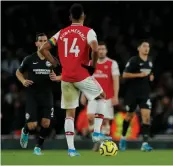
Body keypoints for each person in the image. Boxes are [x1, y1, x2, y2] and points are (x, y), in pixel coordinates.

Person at [39, 3, 110, 157]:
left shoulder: (61, 33)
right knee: (102, 97)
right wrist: (93, 65)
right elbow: (95, 48)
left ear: (70, 17)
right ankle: (97, 132)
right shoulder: (88, 31)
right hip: (81, 74)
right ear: (83, 16)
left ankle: (71, 149)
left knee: (69, 114)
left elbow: (43, 48)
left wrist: (55, 62)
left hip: (66, 76)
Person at [16, 33, 55, 155]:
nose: (43, 42)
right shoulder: (29, 59)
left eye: (45, 40)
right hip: (32, 94)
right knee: (32, 125)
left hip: (47, 94)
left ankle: (38, 147)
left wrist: (56, 77)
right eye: (41, 40)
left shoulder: (52, 59)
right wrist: (23, 81)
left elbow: (60, 73)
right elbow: (18, 72)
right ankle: (25, 130)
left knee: (46, 123)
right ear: (36, 43)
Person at [80, 41, 120, 151]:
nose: (101, 51)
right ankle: (97, 139)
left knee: (106, 120)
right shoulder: (91, 63)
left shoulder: (112, 63)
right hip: (92, 97)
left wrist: (116, 96)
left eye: (103, 49)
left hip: (107, 98)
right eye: (99, 49)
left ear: (106, 51)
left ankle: (103, 144)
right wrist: (83, 94)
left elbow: (116, 80)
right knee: (90, 118)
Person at [119, 41, 154, 152]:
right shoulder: (134, 61)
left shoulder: (149, 62)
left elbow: (150, 74)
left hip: (145, 94)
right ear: (139, 48)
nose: (146, 48)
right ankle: (123, 138)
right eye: (144, 46)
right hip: (133, 94)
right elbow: (124, 74)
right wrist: (139, 75)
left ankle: (144, 143)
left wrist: (151, 77)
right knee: (129, 116)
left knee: (146, 118)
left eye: (148, 46)